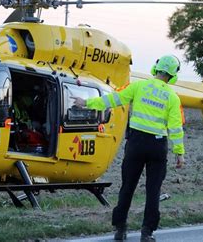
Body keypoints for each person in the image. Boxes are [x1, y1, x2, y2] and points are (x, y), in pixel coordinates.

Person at [73, 55, 185, 242]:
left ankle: (120, 229)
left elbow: (114, 100)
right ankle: (147, 232)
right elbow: (176, 128)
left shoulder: (139, 86)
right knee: (153, 190)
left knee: (127, 187)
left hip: (136, 143)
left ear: (155, 68)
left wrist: (87, 103)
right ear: (173, 75)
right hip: (157, 146)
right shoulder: (172, 97)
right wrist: (179, 153)